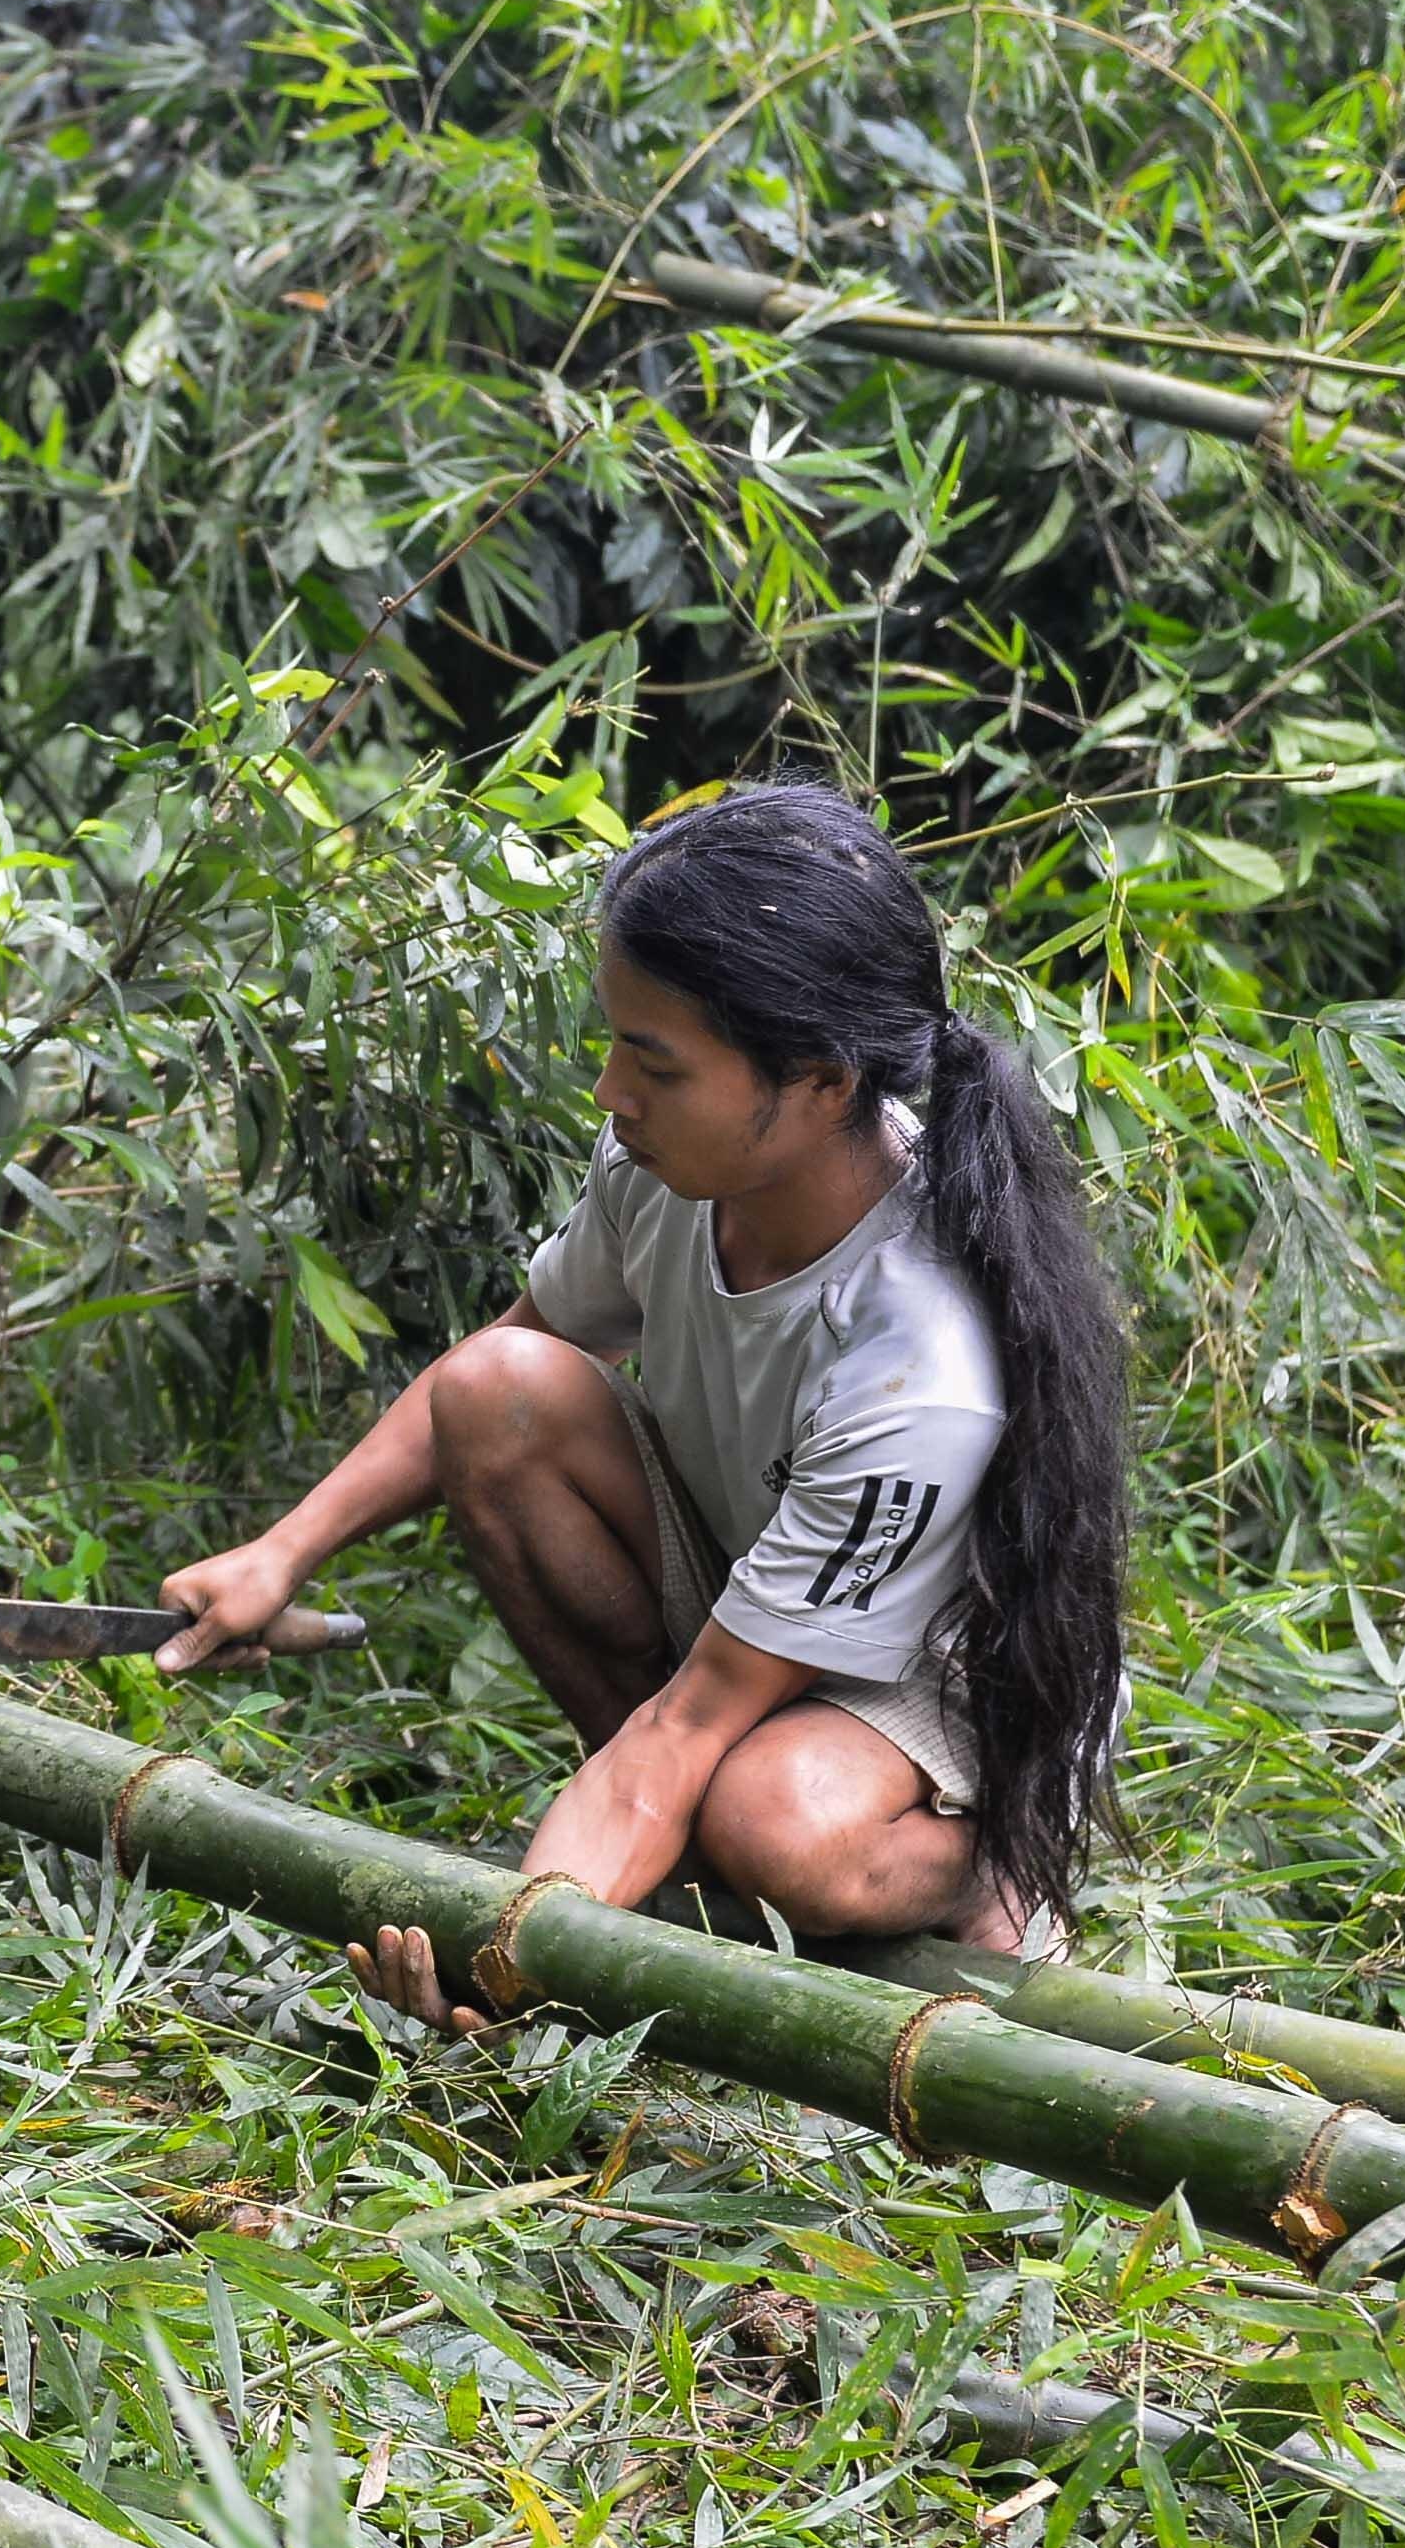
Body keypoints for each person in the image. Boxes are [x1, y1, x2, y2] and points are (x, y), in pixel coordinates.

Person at [151, 782, 1129, 2030]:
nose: (611, 1090)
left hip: (937, 1685)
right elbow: (513, 1352)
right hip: (754, 1600)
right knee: (496, 1396)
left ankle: (979, 1861)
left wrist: (505, 1958)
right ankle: (638, 1850)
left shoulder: (917, 1363)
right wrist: (281, 1552)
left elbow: (686, 1723)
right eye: (617, 1043)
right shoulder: (668, 1166)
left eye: (653, 1062)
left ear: (824, 1083)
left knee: (770, 1820)